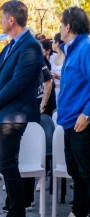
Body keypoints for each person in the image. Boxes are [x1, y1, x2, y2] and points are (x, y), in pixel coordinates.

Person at [0, 1, 43, 216]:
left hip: (13, 115)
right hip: (0, 114)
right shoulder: (9, 46)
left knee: (8, 166)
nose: (0, 21)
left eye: (1, 17)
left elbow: (18, 84)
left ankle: (16, 212)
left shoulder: (31, 46)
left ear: (11, 20)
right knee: (6, 167)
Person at [57, 6, 90, 217]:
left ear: (68, 26)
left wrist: (87, 113)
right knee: (76, 172)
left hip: (82, 123)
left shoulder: (86, 47)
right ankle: (79, 210)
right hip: (70, 123)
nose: (59, 28)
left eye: (61, 24)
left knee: (86, 173)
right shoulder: (74, 48)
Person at [50, 33, 64, 105]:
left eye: (53, 41)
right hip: (52, 91)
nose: (52, 44)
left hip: (63, 91)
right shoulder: (52, 57)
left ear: (57, 43)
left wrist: (57, 77)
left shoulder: (68, 58)